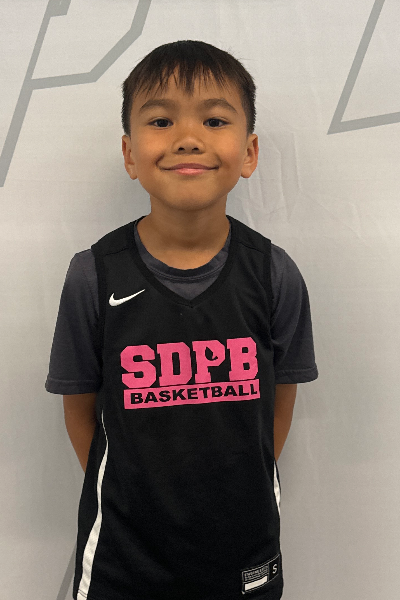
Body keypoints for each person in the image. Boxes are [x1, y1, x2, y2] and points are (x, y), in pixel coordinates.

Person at [45, 40, 318, 600]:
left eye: (214, 120)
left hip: (244, 548)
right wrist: (133, 496)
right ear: (129, 153)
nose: (188, 138)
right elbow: (79, 410)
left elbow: (279, 401)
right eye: (162, 120)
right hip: (124, 556)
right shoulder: (93, 274)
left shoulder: (274, 274)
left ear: (249, 152)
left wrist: (239, 487)